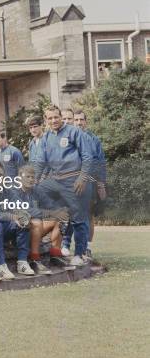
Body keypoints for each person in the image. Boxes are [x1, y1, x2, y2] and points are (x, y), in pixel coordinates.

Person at [35, 104, 94, 267]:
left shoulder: (74, 132)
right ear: (46, 120)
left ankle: (80, 254)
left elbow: (87, 157)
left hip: (74, 179)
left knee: (78, 218)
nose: (54, 120)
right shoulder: (46, 137)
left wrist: (82, 178)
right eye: (50, 118)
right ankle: (53, 226)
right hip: (56, 180)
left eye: (56, 117)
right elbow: (40, 162)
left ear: (61, 117)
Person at [65, 110, 107, 258]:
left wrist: (101, 184)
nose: (78, 122)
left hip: (89, 181)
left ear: (85, 122)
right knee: (70, 214)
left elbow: (100, 162)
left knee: (88, 215)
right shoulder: (68, 138)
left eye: (81, 120)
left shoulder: (93, 139)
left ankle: (87, 247)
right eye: (75, 120)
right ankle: (67, 246)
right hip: (71, 182)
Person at [18, 165, 67, 274]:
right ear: (20, 178)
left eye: (32, 177)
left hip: (37, 227)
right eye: (28, 177)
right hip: (21, 230)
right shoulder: (14, 192)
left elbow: (50, 205)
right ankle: (34, 260)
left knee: (60, 219)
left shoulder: (37, 190)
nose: (31, 179)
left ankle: (55, 255)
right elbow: (25, 211)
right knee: (37, 222)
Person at [0, 164, 35, 279]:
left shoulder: (8, 192)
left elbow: (20, 207)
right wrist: (11, 216)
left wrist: (23, 216)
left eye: (1, 175)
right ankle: (1, 266)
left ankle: (22, 262)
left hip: (5, 229)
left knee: (23, 223)